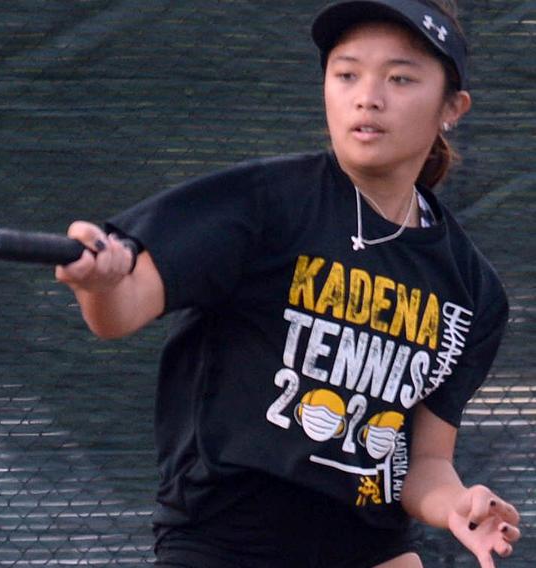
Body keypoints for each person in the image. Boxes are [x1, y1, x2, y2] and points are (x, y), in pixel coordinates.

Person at [55, 1, 523, 566]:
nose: (367, 96)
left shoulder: (474, 292)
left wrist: (458, 506)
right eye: (346, 73)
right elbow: (120, 311)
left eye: (400, 78)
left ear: (453, 107)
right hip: (222, 544)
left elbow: (424, 464)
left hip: (371, 550)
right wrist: (99, 283)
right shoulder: (263, 204)